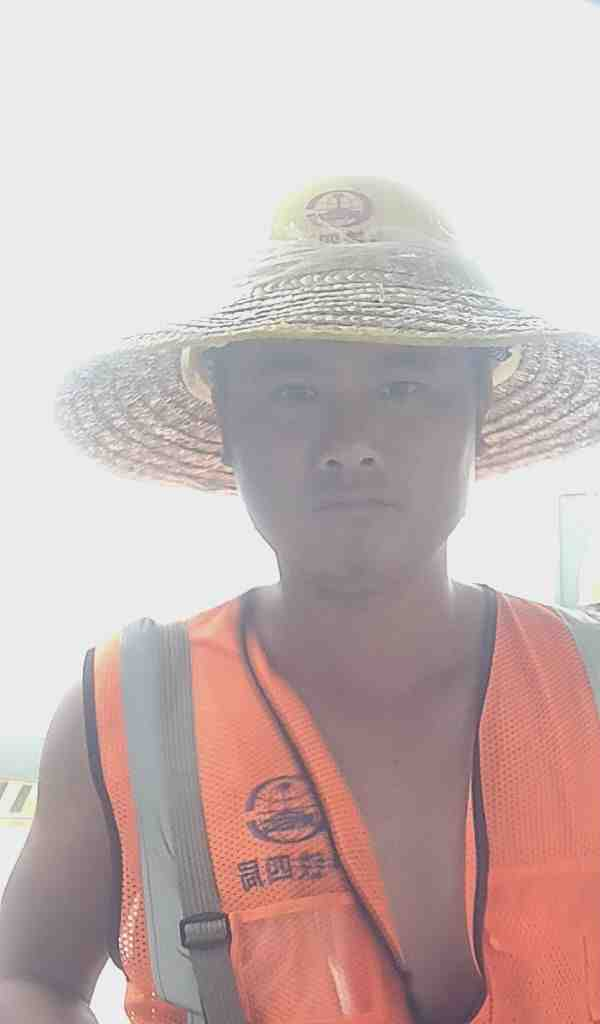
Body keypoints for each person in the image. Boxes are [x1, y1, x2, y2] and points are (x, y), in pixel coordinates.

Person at [1, 176, 599, 1024]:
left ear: (478, 414)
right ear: (227, 427)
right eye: (293, 393)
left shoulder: (588, 682)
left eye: (404, 387)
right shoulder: (128, 712)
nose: (350, 444)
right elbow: (29, 977)